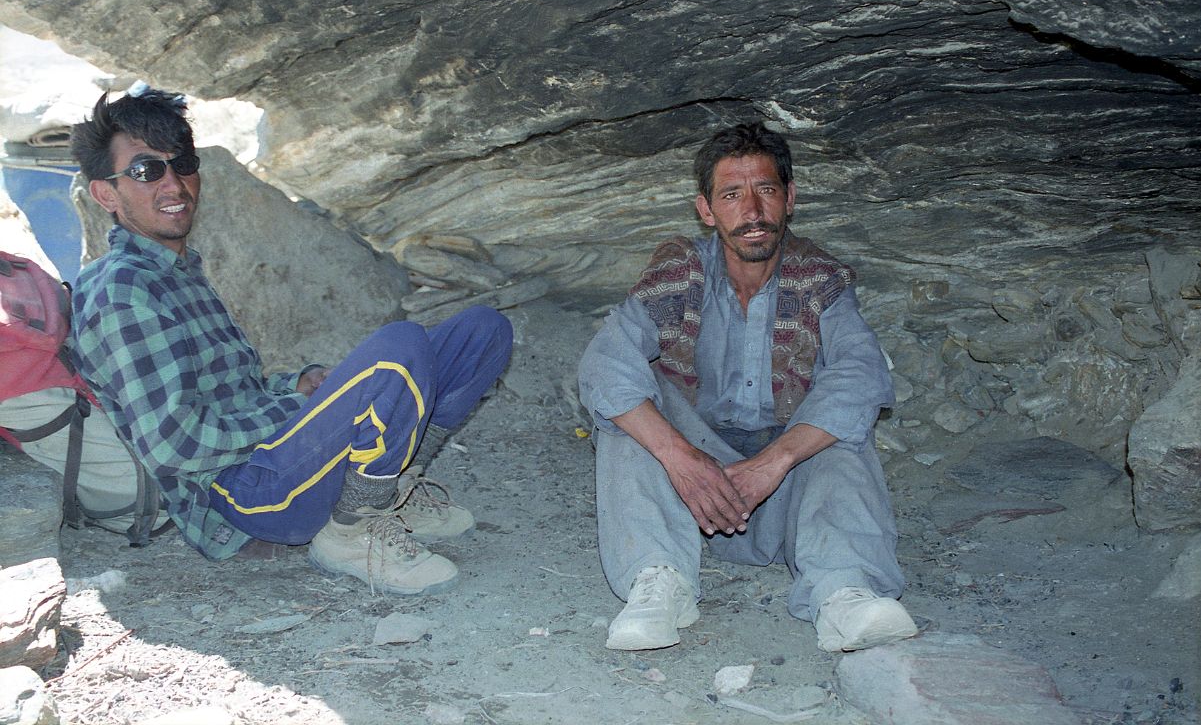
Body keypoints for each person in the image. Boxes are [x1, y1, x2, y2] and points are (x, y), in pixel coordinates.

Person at [69, 87, 512, 595]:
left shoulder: (176, 269)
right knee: (401, 346)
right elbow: (176, 444)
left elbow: (230, 389)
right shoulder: (123, 289)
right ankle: (351, 532)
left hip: (269, 454)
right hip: (242, 495)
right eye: (146, 170)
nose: (173, 183)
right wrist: (299, 407)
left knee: (480, 331)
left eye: (183, 163)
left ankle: (392, 488)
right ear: (106, 193)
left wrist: (295, 384)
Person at [578, 121, 917, 652]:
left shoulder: (819, 278)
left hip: (782, 488)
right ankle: (659, 580)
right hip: (685, 489)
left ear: (790, 200)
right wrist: (681, 458)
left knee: (839, 422)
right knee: (630, 406)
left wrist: (774, 461)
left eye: (766, 191)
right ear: (706, 210)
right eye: (732, 195)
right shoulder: (678, 273)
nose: (753, 212)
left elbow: (862, 374)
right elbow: (604, 366)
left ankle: (844, 591)